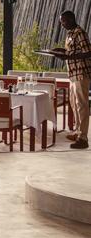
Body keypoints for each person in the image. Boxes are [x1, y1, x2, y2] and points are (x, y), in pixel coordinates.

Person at [52, 10, 91, 150]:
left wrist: (68, 57)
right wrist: (62, 51)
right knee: (74, 104)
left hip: (81, 73)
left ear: (71, 19)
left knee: (82, 105)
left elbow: (88, 52)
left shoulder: (80, 32)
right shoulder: (70, 34)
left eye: (64, 21)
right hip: (73, 74)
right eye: (61, 22)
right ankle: (78, 132)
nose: (62, 24)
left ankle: (83, 138)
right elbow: (73, 51)